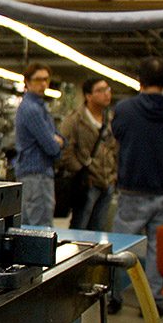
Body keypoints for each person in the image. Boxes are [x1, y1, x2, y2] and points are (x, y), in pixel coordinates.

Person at [108, 57, 163, 316]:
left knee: (122, 246)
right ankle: (153, 301)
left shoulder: (125, 109)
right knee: (158, 248)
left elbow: (117, 135)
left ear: (140, 80)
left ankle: (115, 295)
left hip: (133, 187)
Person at [59, 77, 118, 231]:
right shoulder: (75, 120)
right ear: (88, 96)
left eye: (108, 89)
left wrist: (114, 174)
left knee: (98, 229)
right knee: (80, 228)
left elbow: (115, 148)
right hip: (87, 185)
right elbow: (65, 150)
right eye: (100, 90)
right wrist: (80, 173)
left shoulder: (111, 119)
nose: (106, 94)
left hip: (107, 183)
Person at [13, 63, 65, 227]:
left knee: (30, 226)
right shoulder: (32, 109)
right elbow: (52, 147)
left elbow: (59, 138)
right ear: (27, 82)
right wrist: (57, 144)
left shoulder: (39, 107)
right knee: (40, 228)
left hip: (34, 175)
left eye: (46, 79)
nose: (43, 84)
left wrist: (57, 141)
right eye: (38, 80)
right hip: (37, 176)